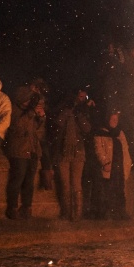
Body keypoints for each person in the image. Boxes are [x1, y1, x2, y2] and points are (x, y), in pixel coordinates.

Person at [4, 78, 47, 220]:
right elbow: (16, 128)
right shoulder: (15, 109)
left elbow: (38, 131)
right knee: (17, 179)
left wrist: (41, 117)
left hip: (33, 149)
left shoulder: (33, 109)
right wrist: (31, 113)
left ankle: (27, 207)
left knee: (29, 181)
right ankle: (12, 208)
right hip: (19, 149)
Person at [50, 89, 93, 220]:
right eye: (80, 96)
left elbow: (87, 129)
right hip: (63, 151)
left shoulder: (83, 112)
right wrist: (68, 112)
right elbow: (58, 124)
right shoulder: (63, 110)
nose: (82, 99)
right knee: (65, 183)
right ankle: (66, 212)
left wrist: (79, 114)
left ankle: (77, 214)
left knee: (76, 183)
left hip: (78, 152)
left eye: (84, 97)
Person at [93, 110, 132, 220]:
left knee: (120, 189)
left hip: (119, 166)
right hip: (109, 166)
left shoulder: (120, 133)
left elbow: (125, 149)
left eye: (116, 119)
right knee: (107, 190)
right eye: (112, 119)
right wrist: (104, 162)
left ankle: (120, 212)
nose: (115, 121)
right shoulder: (101, 133)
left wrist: (128, 163)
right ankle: (105, 213)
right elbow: (98, 150)